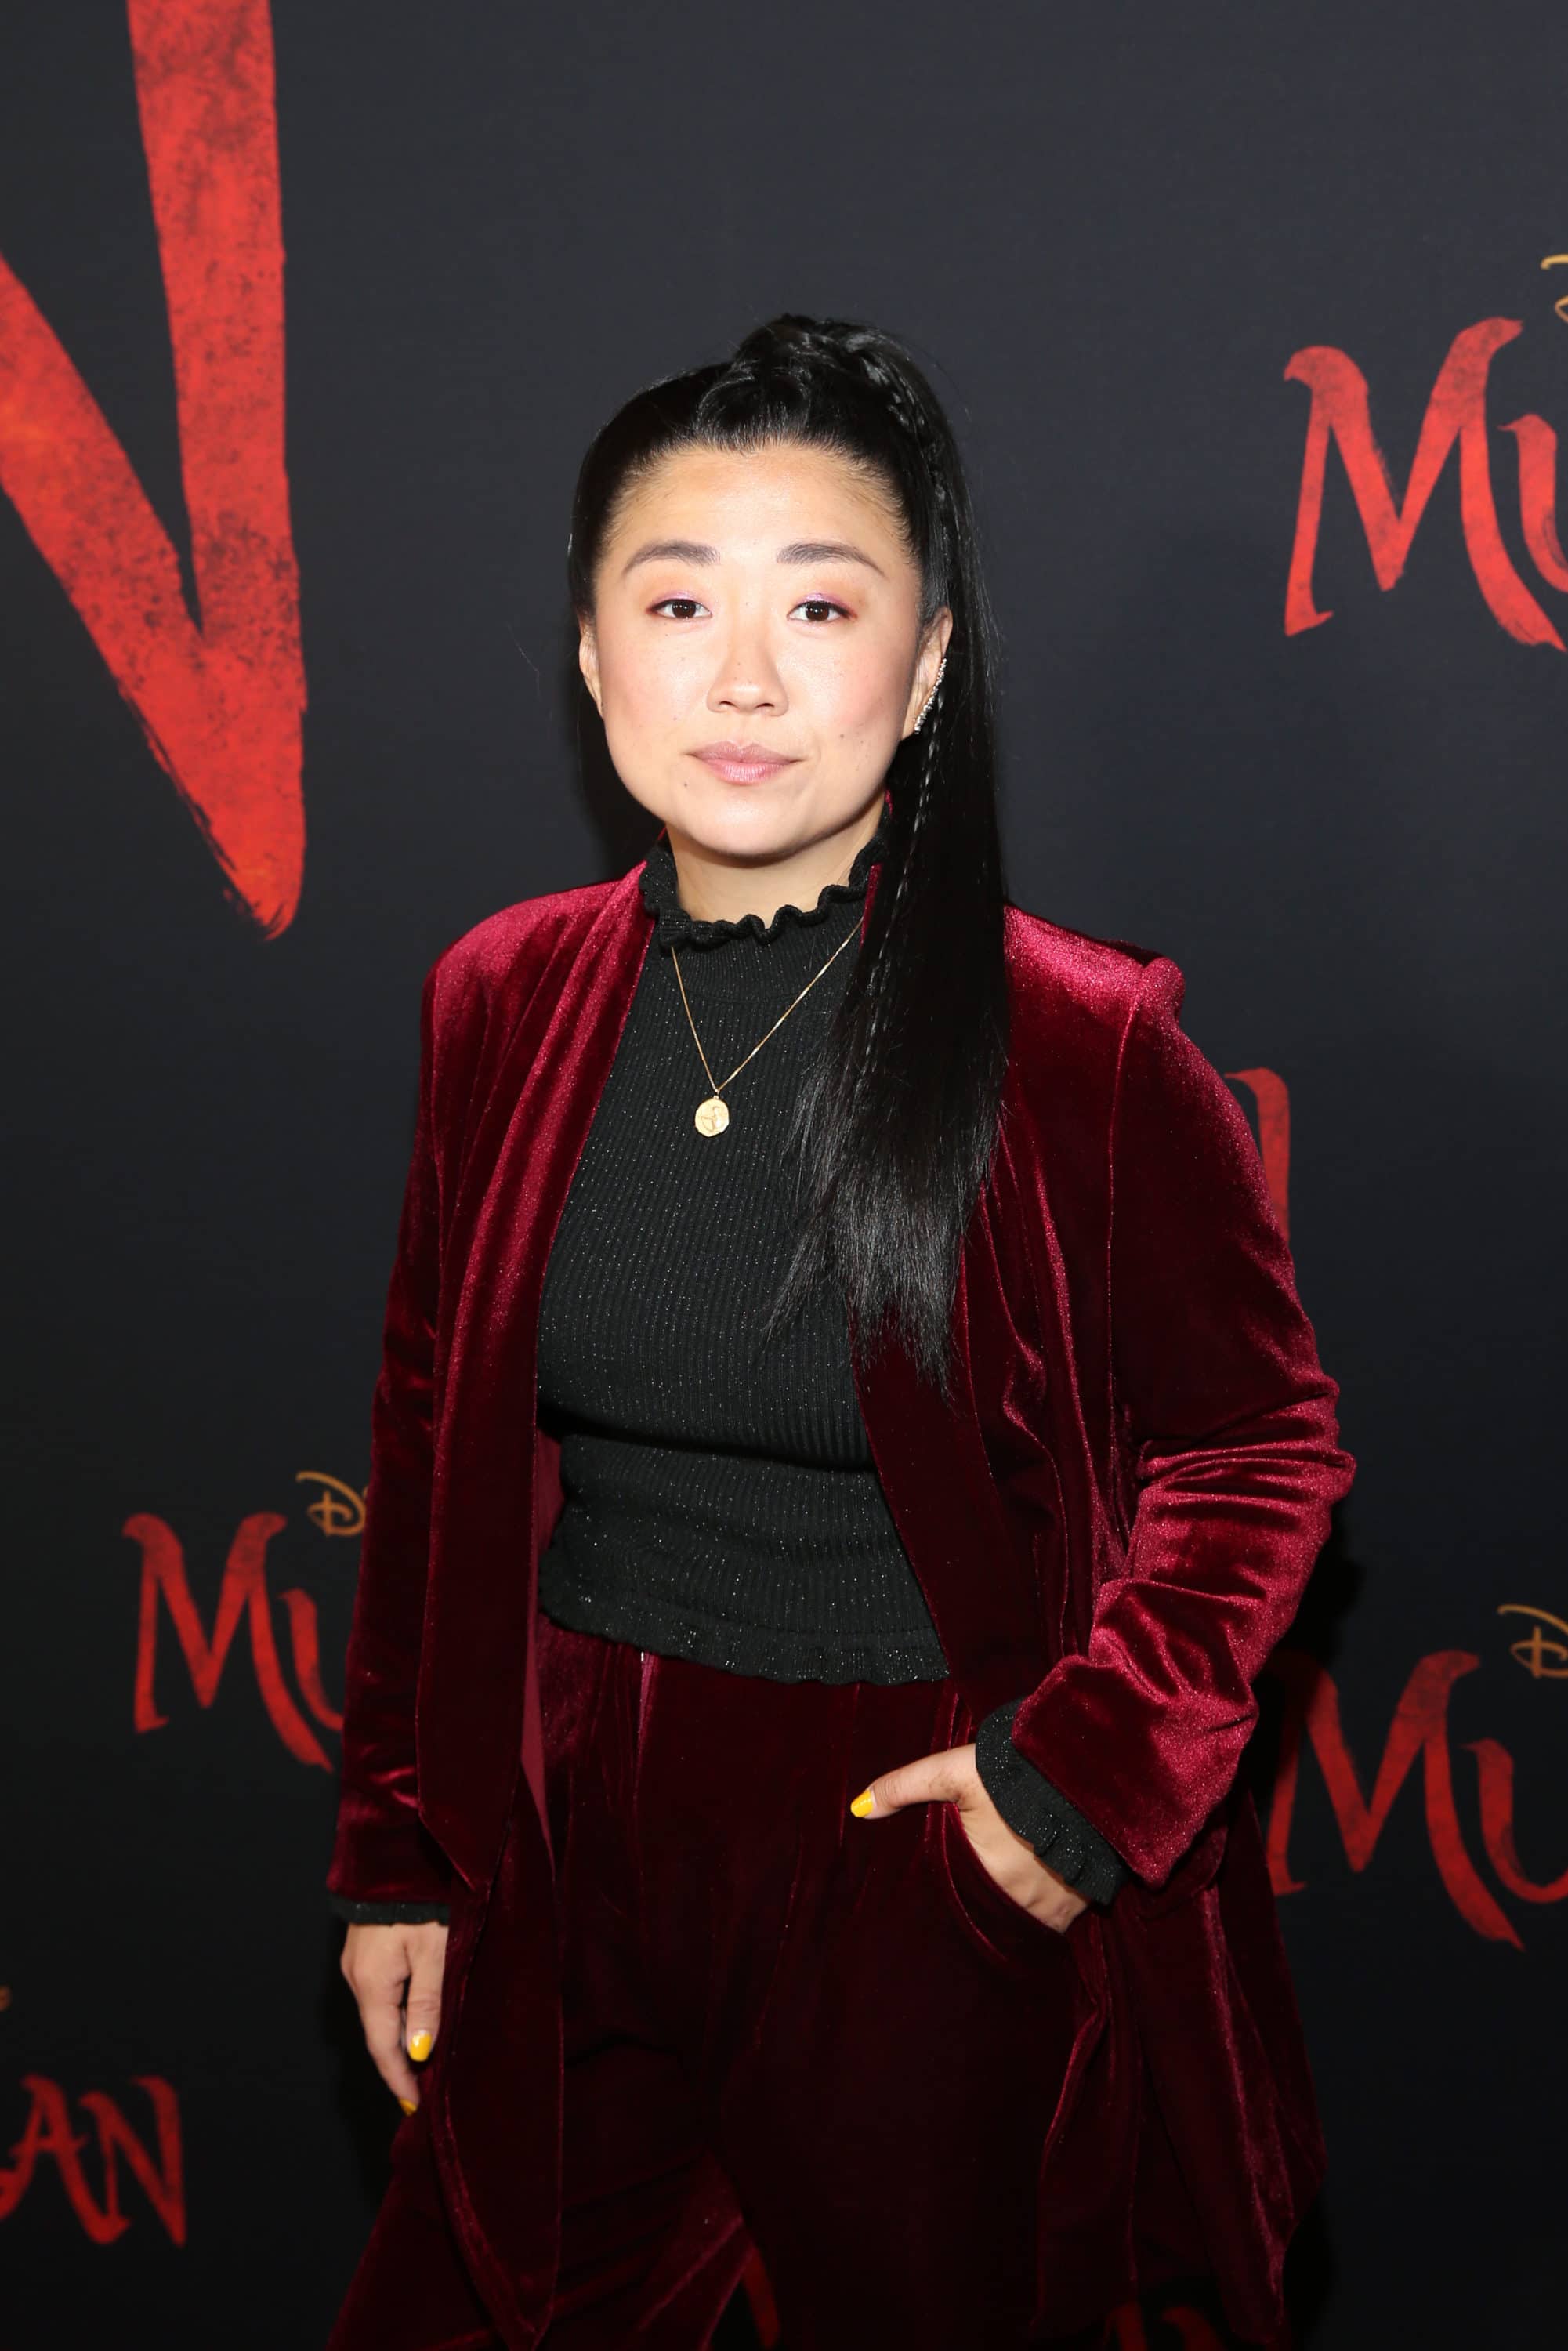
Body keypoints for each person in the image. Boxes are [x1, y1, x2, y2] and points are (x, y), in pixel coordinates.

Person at [324, 315, 1353, 2351]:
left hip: (911, 1847)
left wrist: (1073, 1787)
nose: (743, 677)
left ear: (930, 660)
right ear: (590, 650)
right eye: (675, 603)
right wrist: (406, 1852)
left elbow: (1258, 1448)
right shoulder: (501, 998)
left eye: (818, 606)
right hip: (566, 1830)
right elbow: (434, 1430)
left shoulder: (1074, 1038)